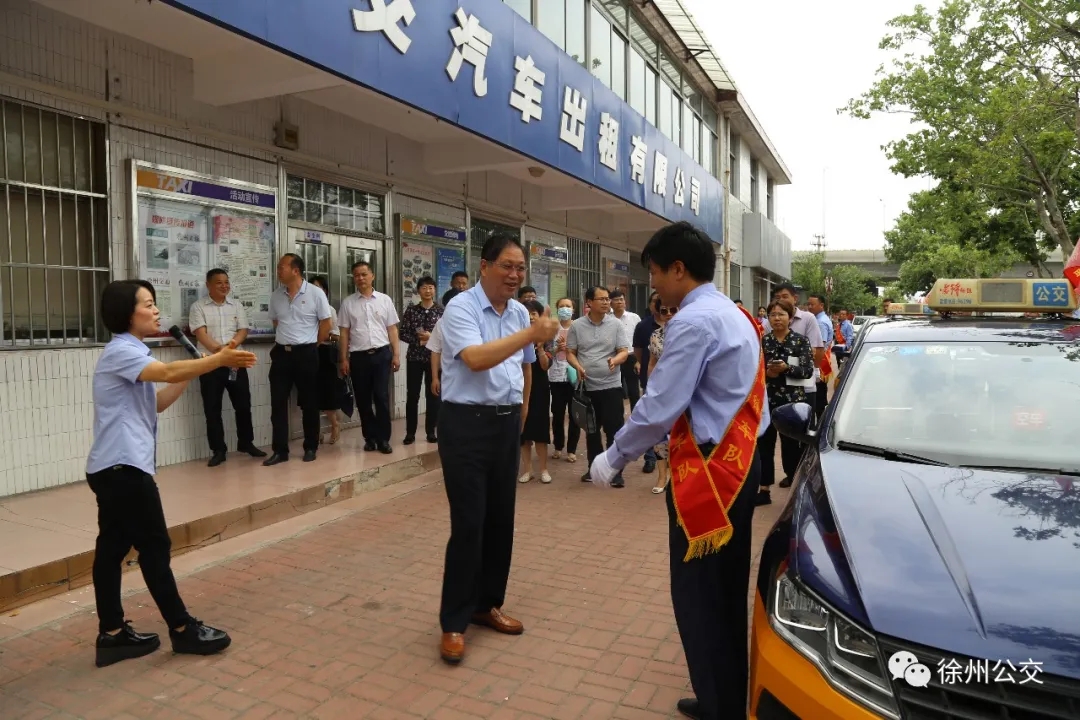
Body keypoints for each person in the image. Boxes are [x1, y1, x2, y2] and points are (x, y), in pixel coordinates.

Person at [588, 222, 768, 720]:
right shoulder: (733, 313)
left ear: (679, 269)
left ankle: (719, 704)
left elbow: (659, 405)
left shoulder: (693, 322)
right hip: (739, 461)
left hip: (709, 474)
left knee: (698, 593)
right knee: (725, 589)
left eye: (655, 272)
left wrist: (614, 456)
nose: (653, 283)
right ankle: (721, 694)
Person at [87, 279, 256, 668]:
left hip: (114, 467)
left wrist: (194, 371)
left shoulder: (133, 352)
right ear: (127, 313)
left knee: (112, 549)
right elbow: (166, 372)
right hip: (123, 469)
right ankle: (182, 629)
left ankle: (112, 635)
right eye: (148, 304)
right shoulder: (122, 351)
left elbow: (158, 401)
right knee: (154, 546)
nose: (156, 310)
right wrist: (216, 361)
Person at [435, 234, 559, 665]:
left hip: (506, 424)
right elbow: (475, 358)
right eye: (507, 266)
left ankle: (487, 604)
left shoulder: (520, 312)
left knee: (500, 520)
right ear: (484, 266)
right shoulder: (461, 307)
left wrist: (522, 409)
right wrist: (531, 332)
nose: (514, 275)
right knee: (469, 523)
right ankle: (454, 621)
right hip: (465, 425)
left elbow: (525, 365)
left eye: (520, 268)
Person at [187, 268, 266, 466]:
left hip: (235, 363)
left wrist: (231, 349)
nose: (224, 286)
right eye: (219, 282)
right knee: (212, 408)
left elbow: (243, 330)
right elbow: (201, 334)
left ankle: (246, 443)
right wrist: (221, 352)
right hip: (210, 363)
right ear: (208, 285)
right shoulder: (198, 307)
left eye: (226, 282)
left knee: (243, 405)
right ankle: (218, 450)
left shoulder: (236, 305)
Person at [266, 253, 333, 465]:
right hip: (281, 354)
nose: (278, 270)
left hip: (306, 354)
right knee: (278, 403)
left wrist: (312, 344)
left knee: (309, 403)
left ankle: (310, 446)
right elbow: (276, 322)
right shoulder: (276, 295)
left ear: (295, 270)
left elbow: (326, 324)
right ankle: (280, 450)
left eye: (282, 267)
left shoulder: (315, 293)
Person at [567, 286, 631, 488]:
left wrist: (615, 360)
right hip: (587, 387)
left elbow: (623, 351)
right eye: (601, 299)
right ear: (589, 302)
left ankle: (616, 472)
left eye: (607, 299)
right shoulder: (577, 326)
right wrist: (577, 366)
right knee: (592, 431)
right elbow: (570, 352)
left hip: (611, 386)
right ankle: (593, 469)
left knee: (614, 430)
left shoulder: (616, 324)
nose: (606, 302)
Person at [339, 260, 401, 454]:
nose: (361, 278)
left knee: (381, 397)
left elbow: (392, 329)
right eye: (357, 275)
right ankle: (370, 437)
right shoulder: (348, 303)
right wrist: (344, 358)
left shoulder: (384, 300)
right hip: (359, 358)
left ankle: (384, 439)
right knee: (363, 399)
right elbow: (344, 333)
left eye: (364, 274)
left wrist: (396, 354)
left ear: (372, 276)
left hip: (382, 355)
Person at [757, 300, 814, 504]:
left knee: (791, 447)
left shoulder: (800, 341)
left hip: (792, 403)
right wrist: (767, 373)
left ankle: (794, 487)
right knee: (764, 445)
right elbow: (753, 370)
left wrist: (786, 369)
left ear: (790, 318)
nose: (777, 318)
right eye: (772, 315)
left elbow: (807, 371)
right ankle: (764, 489)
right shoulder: (763, 342)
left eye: (781, 314)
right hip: (767, 401)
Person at [399, 276, 443, 444]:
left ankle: (431, 431)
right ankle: (410, 433)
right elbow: (403, 332)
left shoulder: (441, 311)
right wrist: (418, 341)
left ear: (434, 290)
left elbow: (447, 334)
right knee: (413, 395)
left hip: (434, 359)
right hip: (415, 358)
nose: (427, 291)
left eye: (430, 287)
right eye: (424, 288)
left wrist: (431, 338)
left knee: (433, 395)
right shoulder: (411, 311)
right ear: (418, 291)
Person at [519, 299, 553, 484]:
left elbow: (545, 365)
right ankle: (528, 470)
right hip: (519, 387)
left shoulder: (546, 339)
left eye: (534, 313)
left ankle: (544, 469)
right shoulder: (516, 337)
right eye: (528, 313)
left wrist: (539, 348)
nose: (531, 317)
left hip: (539, 388)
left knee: (540, 430)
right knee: (522, 432)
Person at [646, 302, 677, 495]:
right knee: (658, 434)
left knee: (679, 435)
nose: (668, 313)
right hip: (660, 392)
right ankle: (661, 476)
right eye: (664, 310)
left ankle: (676, 476)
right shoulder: (655, 335)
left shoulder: (689, 334)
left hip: (682, 392)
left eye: (673, 309)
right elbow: (652, 363)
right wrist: (650, 389)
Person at [309, 276, 344, 445]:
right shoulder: (303, 308)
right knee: (310, 395)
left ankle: (335, 424)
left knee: (326, 394)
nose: (316, 291)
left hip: (324, 354)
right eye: (312, 287)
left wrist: (324, 335)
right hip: (307, 353)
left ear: (325, 291)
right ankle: (315, 432)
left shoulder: (329, 309)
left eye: (319, 287)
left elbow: (337, 335)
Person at [547, 297, 580, 463]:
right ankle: (558, 446)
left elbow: (586, 350)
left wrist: (571, 349)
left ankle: (572, 450)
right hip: (556, 377)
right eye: (561, 306)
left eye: (568, 306)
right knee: (558, 414)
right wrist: (556, 348)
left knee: (575, 416)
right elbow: (546, 352)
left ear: (573, 309)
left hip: (574, 377)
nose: (565, 309)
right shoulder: (552, 329)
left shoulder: (579, 327)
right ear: (557, 308)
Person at [632, 291, 662, 474]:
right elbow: (638, 352)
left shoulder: (678, 324)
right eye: (655, 301)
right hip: (650, 380)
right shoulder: (643, 326)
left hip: (675, 383)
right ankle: (650, 457)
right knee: (651, 419)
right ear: (650, 304)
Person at [610, 289, 641, 410]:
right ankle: (617, 417)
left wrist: (638, 361)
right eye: (616, 300)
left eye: (621, 299)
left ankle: (636, 416)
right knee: (615, 390)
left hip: (631, 357)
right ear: (611, 303)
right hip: (613, 358)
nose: (619, 302)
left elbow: (640, 340)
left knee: (634, 390)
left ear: (625, 302)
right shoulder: (607, 318)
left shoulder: (634, 317)